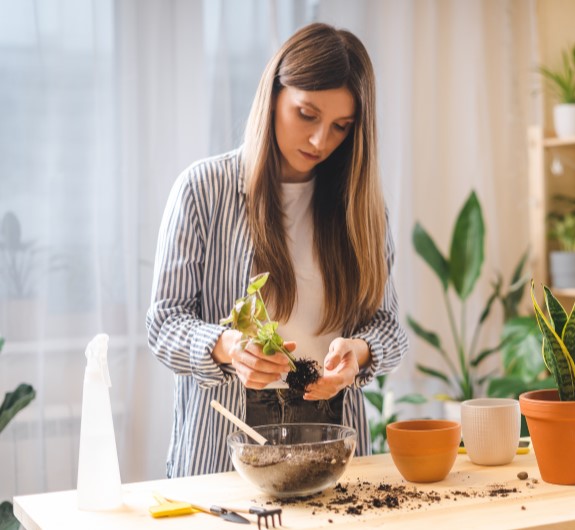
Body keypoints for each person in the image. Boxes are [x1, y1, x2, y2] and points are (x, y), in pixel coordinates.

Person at [146, 22, 408, 478]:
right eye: (307, 114)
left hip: (333, 442)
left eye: (341, 127)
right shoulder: (204, 190)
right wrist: (228, 347)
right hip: (224, 448)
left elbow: (387, 326)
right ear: (273, 94)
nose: (320, 141)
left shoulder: (361, 208)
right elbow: (163, 324)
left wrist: (358, 355)